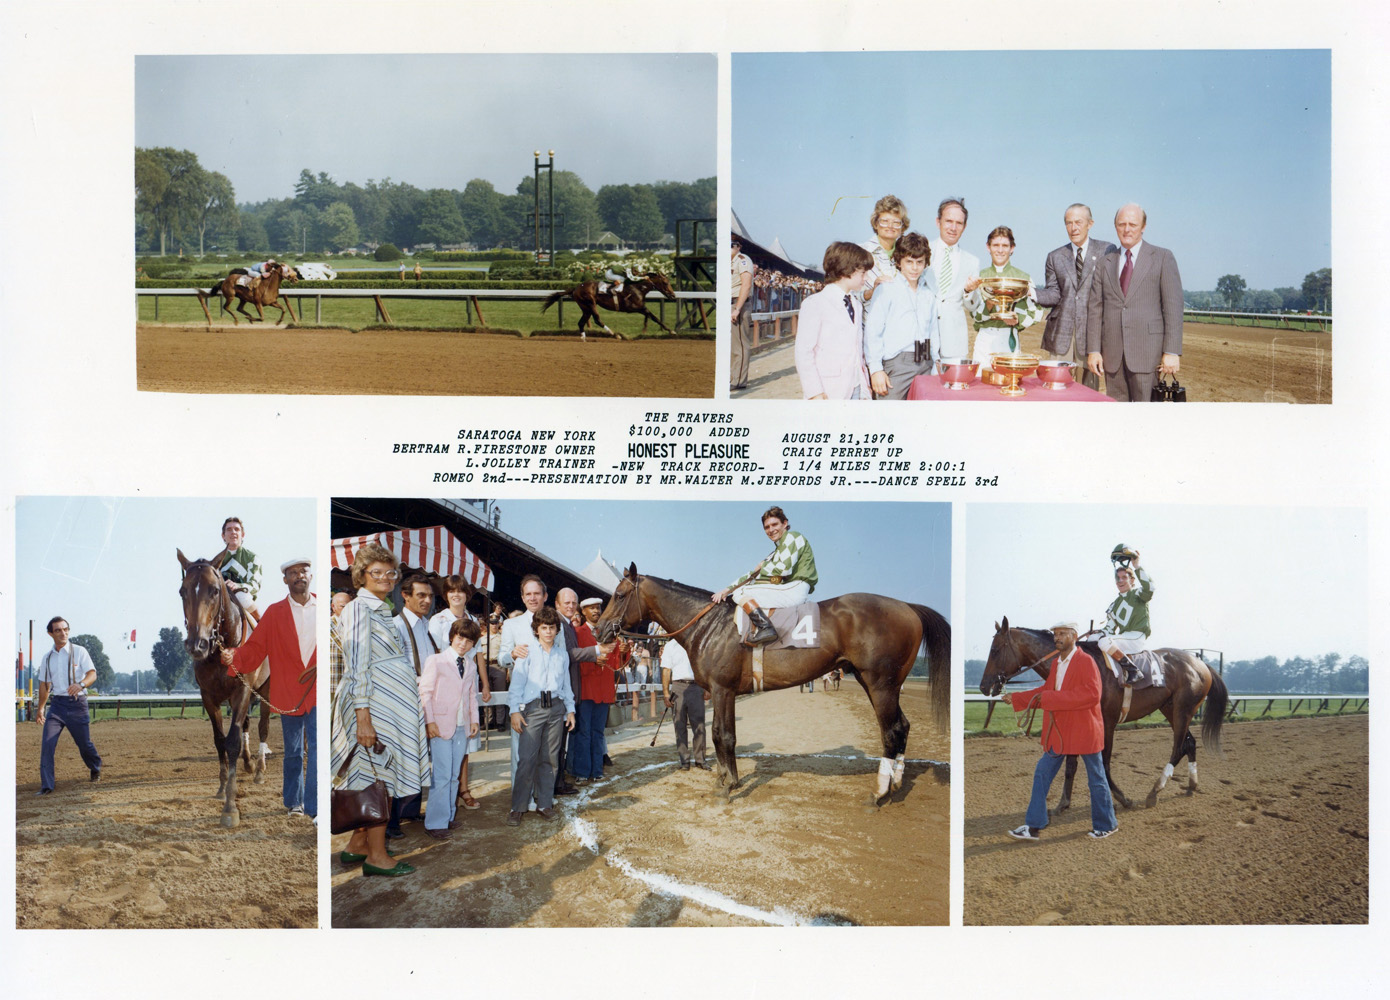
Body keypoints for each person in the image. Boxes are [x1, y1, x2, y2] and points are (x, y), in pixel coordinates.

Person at [330, 543, 428, 876]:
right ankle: (377, 856)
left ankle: (358, 845)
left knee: (371, 775)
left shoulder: (382, 608)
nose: (385, 577)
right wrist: (363, 718)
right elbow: (357, 666)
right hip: (372, 709)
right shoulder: (359, 609)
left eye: (390, 572)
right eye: (377, 572)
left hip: (387, 708)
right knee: (379, 779)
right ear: (362, 574)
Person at [222, 558, 317, 821]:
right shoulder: (274, 613)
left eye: (303, 571)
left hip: (319, 691)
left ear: (311, 576)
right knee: (294, 752)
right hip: (289, 692)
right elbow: (256, 647)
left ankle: (315, 806)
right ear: (285, 580)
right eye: (293, 573)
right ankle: (294, 802)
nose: (299, 576)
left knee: (318, 749)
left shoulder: (326, 610)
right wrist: (234, 656)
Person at [1003, 622, 1118, 841]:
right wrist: (1017, 698)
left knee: (1096, 778)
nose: (1058, 637)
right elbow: (1045, 692)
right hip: (1061, 731)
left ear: (1074, 636)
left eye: (1063, 633)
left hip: (1084, 731)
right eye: (1055, 634)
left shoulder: (1087, 661)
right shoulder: (1056, 663)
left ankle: (1107, 824)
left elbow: (1092, 695)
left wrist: (1050, 699)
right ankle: (1033, 826)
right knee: (1042, 773)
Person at [1086, 203, 1183, 401]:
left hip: (1147, 354)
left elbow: (1173, 308)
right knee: (1118, 416)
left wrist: (1171, 351)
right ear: (1115, 227)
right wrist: (1094, 350)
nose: (1127, 229)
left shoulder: (1163, 257)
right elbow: (1095, 309)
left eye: (1133, 224)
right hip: (1113, 357)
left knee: (1146, 417)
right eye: (1122, 224)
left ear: (1143, 226)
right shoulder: (1105, 263)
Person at [1033, 203, 1116, 391]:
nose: (1073, 228)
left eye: (1078, 222)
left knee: (1087, 393)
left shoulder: (1107, 250)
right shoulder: (1055, 256)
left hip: (1091, 337)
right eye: (1069, 223)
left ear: (1090, 223)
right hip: (1060, 337)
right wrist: (1031, 293)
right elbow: (1054, 294)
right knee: (1055, 391)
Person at [507, 606, 576, 826]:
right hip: (533, 709)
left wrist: (570, 709)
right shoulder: (527, 652)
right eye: (543, 628)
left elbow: (566, 685)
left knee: (550, 759)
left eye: (552, 628)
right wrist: (514, 711)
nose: (548, 632)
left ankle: (545, 803)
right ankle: (517, 806)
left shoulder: (562, 655)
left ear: (557, 630)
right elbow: (516, 685)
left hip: (556, 710)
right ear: (536, 629)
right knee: (527, 758)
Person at [711, 505, 817, 646]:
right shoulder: (775, 553)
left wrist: (763, 566)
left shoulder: (792, 537)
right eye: (767, 527)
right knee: (740, 590)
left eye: (775, 524)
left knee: (741, 592)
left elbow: (784, 569)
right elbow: (753, 575)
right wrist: (726, 590)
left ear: (785, 523)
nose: (771, 530)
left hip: (796, 587)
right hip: (790, 588)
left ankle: (765, 627)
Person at [429, 575, 491, 808]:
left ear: (467, 594)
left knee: (465, 741)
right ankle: (447, 793)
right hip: (445, 688)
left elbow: (478, 656)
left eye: (460, 591)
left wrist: (484, 684)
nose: (456, 595)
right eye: (451, 591)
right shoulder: (437, 620)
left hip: (467, 685)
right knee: (446, 742)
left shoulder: (474, 619)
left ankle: (463, 789)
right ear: (446, 595)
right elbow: (434, 655)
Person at [417, 618, 482, 839]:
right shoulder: (436, 661)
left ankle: (448, 817)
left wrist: (474, 720)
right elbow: (425, 692)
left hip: (462, 725)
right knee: (442, 776)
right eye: (460, 637)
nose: (463, 644)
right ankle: (435, 823)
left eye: (469, 640)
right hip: (441, 725)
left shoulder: (471, 665)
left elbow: (471, 696)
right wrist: (429, 721)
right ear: (452, 636)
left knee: (454, 776)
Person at [388, 572, 438, 834]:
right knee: (401, 759)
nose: (427, 600)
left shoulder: (428, 626)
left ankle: (410, 809)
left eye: (429, 596)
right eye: (421, 595)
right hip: (404, 701)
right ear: (405, 596)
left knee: (419, 757)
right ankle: (391, 820)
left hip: (425, 702)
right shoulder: (395, 626)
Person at [863, 230, 939, 398]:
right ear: (898, 262)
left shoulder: (928, 294)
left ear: (926, 263)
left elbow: (933, 331)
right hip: (897, 364)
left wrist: (935, 362)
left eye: (919, 262)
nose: (914, 267)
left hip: (926, 361)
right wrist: (875, 369)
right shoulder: (886, 289)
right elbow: (873, 331)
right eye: (909, 262)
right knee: (890, 418)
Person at [794, 241, 873, 400]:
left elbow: (857, 350)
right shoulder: (815, 303)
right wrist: (814, 391)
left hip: (857, 387)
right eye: (863, 272)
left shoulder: (856, 304)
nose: (866, 277)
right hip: (829, 390)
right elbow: (803, 352)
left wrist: (865, 386)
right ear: (847, 270)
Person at [33, 616, 101, 795]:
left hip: (77, 705)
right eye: (58, 630)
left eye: (65, 629)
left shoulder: (79, 651)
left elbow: (92, 674)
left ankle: (95, 767)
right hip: (57, 707)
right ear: (50, 634)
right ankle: (47, 786)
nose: (63, 633)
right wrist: (40, 708)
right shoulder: (47, 658)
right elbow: (45, 685)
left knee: (84, 744)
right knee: (47, 744)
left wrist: (82, 684)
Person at [970, 226, 1043, 369]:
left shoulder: (1023, 278)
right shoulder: (980, 278)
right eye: (996, 245)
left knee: (1008, 383)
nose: (1000, 250)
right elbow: (975, 315)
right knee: (981, 385)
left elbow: (1037, 312)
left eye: (1005, 245)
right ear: (988, 247)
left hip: (1008, 338)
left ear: (1012, 248)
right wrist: (988, 307)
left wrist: (1018, 320)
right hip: (985, 338)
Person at [929, 198, 984, 362]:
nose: (953, 228)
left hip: (953, 344)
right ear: (938, 222)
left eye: (959, 223)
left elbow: (972, 306)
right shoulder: (922, 251)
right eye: (948, 221)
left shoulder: (972, 262)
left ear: (964, 227)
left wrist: (969, 291)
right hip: (921, 340)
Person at [571, 597, 620, 782]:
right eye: (591, 608)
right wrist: (593, 660)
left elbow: (616, 664)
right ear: (583, 611)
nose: (596, 611)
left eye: (598, 608)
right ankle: (582, 772)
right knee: (584, 732)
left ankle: (597, 770)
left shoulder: (609, 632)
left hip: (604, 691)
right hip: (586, 689)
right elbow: (575, 660)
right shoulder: (577, 633)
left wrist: (622, 651)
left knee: (598, 732)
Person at [1097, 545, 1154, 685]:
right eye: (1118, 578)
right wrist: (1096, 632)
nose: (1120, 581)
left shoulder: (1138, 594)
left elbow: (1150, 588)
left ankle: (1133, 670)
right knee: (1095, 639)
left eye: (1124, 577)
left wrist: (1137, 566)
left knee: (1104, 642)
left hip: (1136, 638)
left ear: (1132, 580)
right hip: (1122, 639)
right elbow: (1108, 629)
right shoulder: (1114, 605)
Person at [660, 635, 707, 770]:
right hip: (678, 686)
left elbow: (703, 666)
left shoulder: (698, 640)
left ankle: (700, 760)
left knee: (699, 726)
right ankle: (684, 761)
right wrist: (666, 693)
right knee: (679, 725)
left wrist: (706, 687)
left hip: (696, 686)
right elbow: (666, 670)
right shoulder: (671, 645)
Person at [859, 194, 907, 303]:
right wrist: (870, 293)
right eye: (885, 221)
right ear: (876, 223)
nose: (890, 226)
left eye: (896, 222)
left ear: (902, 227)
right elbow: (847, 295)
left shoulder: (906, 256)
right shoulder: (859, 252)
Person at [213, 516, 262, 623]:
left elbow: (255, 585)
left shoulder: (252, 558)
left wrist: (237, 586)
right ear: (223, 536)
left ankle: (261, 624)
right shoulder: (216, 561)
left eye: (237, 529)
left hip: (243, 600)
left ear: (242, 535)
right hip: (221, 602)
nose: (233, 532)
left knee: (241, 596)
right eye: (229, 530)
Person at [730, 238, 756, 390]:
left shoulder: (743, 260)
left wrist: (737, 308)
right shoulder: (730, 261)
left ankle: (738, 380)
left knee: (740, 343)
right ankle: (734, 376)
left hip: (738, 303)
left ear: (737, 247)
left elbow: (745, 285)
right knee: (733, 345)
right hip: (731, 302)